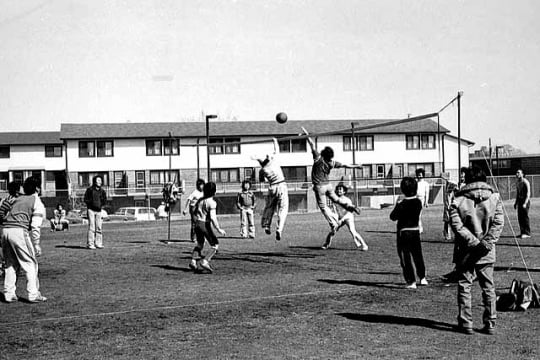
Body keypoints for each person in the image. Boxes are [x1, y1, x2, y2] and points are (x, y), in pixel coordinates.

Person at [450, 166, 504, 335]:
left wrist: (474, 243)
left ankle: (466, 322)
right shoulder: (495, 198)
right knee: (488, 287)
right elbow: (498, 223)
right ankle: (490, 322)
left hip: (465, 250)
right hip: (487, 251)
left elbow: (457, 226)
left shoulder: (458, 199)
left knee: (465, 285)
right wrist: (485, 243)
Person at [302, 127, 361, 234]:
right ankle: (351, 207)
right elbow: (345, 165)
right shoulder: (332, 163)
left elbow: (311, 144)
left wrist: (306, 134)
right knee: (337, 200)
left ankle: (333, 223)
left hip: (319, 186)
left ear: (323, 153)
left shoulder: (318, 158)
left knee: (324, 207)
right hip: (328, 186)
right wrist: (356, 166)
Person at [1, 176, 47, 303]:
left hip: (5, 231)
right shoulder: (36, 201)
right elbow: (35, 225)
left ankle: (9, 293)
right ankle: (33, 294)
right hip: (19, 231)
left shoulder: (18, 198)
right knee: (30, 263)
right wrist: (36, 244)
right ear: (38, 188)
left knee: (10, 263)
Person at [390, 176, 428, 289]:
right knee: (418, 255)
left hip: (404, 233)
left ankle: (411, 281)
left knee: (405, 257)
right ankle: (422, 277)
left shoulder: (402, 203)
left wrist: (398, 205)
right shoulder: (418, 202)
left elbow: (393, 217)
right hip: (415, 232)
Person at [252, 138, 288, 241]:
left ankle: (267, 225)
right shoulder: (274, 161)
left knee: (269, 207)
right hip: (281, 185)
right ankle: (279, 229)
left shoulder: (263, 170)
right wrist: (275, 140)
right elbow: (277, 149)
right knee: (283, 209)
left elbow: (261, 180)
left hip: (272, 187)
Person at [188, 182, 226, 273]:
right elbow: (213, 217)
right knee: (215, 244)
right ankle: (205, 261)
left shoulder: (200, 200)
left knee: (200, 244)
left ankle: (193, 261)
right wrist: (219, 229)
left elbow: (194, 210)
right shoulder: (212, 202)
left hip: (197, 223)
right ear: (214, 192)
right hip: (205, 224)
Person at [321, 183, 368, 251]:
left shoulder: (347, 200)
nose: (339, 191)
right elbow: (335, 210)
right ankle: (326, 244)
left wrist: (342, 220)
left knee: (352, 231)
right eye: (338, 189)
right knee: (333, 231)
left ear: (344, 191)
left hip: (348, 217)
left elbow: (349, 212)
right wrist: (337, 220)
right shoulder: (335, 200)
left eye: (340, 189)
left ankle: (364, 245)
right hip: (340, 218)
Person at [0, 181, 21, 275]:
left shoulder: (6, 200)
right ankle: (6, 266)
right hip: (13, 228)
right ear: (17, 190)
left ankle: (4, 265)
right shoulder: (15, 201)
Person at [84, 175, 107, 250]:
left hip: (99, 211)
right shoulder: (90, 190)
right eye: (98, 180)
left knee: (99, 227)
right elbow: (85, 199)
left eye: (100, 180)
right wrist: (91, 204)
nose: (100, 182)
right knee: (92, 227)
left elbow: (104, 200)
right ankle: (90, 244)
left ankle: (98, 243)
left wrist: (100, 205)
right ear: (95, 181)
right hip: (91, 210)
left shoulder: (102, 191)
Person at [514, 169, 531, 238]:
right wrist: (516, 203)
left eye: (518, 173)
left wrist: (525, 203)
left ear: (522, 174)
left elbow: (528, 193)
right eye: (516, 172)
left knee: (525, 217)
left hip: (525, 201)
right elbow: (518, 194)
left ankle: (527, 233)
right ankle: (522, 232)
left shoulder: (525, 182)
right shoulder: (518, 182)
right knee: (520, 217)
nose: (516, 174)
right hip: (520, 201)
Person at [415, 168, 429, 233]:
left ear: (423, 175)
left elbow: (427, 193)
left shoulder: (425, 183)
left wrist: (426, 202)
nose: (419, 176)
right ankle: (417, 227)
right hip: (415, 199)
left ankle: (420, 228)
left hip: (421, 199)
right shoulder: (415, 183)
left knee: (418, 214)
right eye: (418, 175)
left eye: (420, 175)